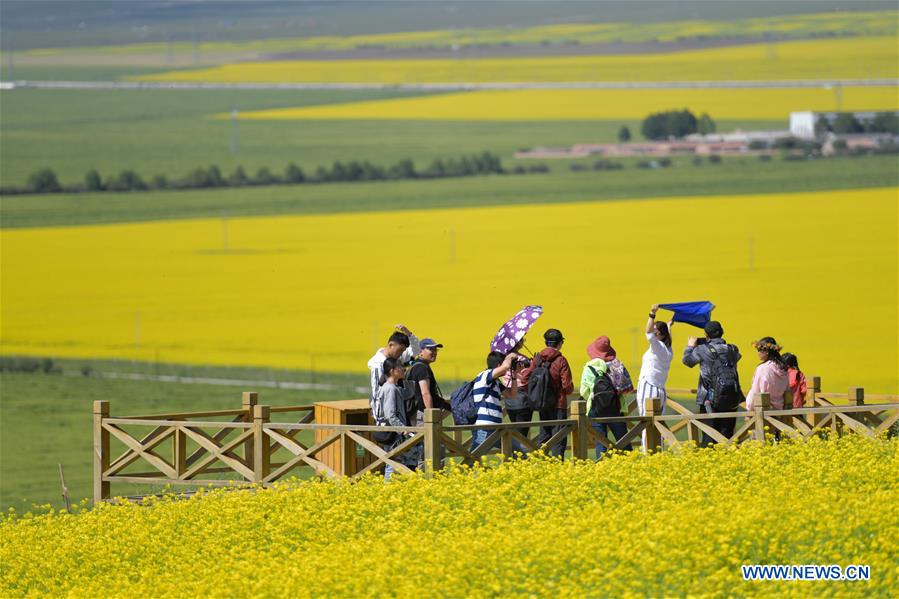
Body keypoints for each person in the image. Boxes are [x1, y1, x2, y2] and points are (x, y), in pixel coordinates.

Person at [682, 320, 742, 445]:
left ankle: (709, 461)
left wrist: (690, 346)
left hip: (708, 399)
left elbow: (687, 361)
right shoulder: (733, 349)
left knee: (709, 438)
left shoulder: (702, 350)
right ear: (722, 332)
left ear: (706, 335)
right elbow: (737, 357)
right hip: (731, 399)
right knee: (727, 437)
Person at [520, 329, 574, 458]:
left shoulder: (538, 358)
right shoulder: (561, 360)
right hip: (558, 403)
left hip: (542, 403)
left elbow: (525, 378)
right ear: (560, 343)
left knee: (544, 434)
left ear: (546, 342)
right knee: (559, 436)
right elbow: (567, 386)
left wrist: (535, 393)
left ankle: (541, 463)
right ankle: (556, 465)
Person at [584, 336, 634, 456]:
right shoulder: (617, 364)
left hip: (595, 408)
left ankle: (601, 468)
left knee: (601, 442)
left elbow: (584, 391)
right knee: (623, 440)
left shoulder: (589, 366)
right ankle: (630, 466)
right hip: (616, 407)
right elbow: (626, 388)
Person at [373, 358, 419, 480]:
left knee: (399, 461)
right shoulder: (390, 389)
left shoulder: (394, 387)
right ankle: (389, 489)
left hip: (396, 432)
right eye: (400, 367)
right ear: (393, 371)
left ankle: (400, 487)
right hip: (394, 433)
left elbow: (409, 393)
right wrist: (404, 430)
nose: (403, 369)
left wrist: (408, 378)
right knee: (393, 462)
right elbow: (390, 415)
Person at [471, 351, 524, 452]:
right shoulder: (485, 375)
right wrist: (510, 356)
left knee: (518, 453)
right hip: (484, 427)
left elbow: (512, 395)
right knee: (474, 458)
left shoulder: (495, 382)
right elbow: (504, 367)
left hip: (497, 428)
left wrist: (514, 375)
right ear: (499, 365)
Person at [636, 305, 673, 450]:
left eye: (656, 331)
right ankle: (659, 451)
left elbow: (648, 332)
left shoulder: (657, 346)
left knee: (646, 422)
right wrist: (669, 326)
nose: (653, 332)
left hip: (648, 386)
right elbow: (666, 335)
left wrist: (652, 314)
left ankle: (648, 453)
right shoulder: (668, 349)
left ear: (660, 335)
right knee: (659, 423)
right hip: (660, 389)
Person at [366, 325, 419, 418]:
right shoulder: (377, 365)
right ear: (391, 345)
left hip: (399, 409)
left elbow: (417, 350)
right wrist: (379, 418)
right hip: (385, 415)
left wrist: (409, 334)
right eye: (400, 350)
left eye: (403, 351)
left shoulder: (397, 356)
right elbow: (377, 392)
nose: (401, 354)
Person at [406, 337, 449, 427]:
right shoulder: (422, 368)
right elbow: (425, 393)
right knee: (428, 440)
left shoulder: (416, 365)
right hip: (422, 415)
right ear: (420, 352)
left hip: (417, 413)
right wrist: (431, 417)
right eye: (430, 349)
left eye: (435, 349)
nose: (434, 352)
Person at [746, 337, 790, 410]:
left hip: (764, 410)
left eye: (759, 350)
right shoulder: (783, 368)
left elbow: (755, 391)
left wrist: (749, 408)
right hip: (780, 410)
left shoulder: (762, 368)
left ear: (767, 351)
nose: (758, 353)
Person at [502, 341, 532, 443]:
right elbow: (528, 374)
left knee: (516, 432)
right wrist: (534, 362)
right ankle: (518, 457)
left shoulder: (503, 359)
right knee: (522, 436)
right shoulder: (520, 358)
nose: (523, 341)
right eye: (522, 340)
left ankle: (515, 456)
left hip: (509, 399)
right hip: (522, 397)